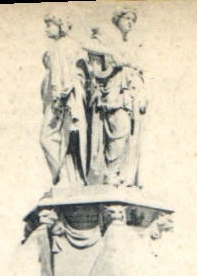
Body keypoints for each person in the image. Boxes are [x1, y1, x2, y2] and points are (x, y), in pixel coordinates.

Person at [84, 7, 146, 187]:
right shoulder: (108, 35)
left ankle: (122, 175)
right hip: (113, 92)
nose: (130, 23)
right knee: (119, 131)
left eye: (133, 20)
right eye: (127, 18)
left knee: (128, 135)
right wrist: (111, 53)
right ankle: (110, 173)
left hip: (129, 94)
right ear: (117, 19)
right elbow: (87, 44)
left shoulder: (127, 43)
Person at [39, 15, 88, 185]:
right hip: (63, 98)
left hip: (62, 99)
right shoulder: (65, 46)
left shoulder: (62, 46)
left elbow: (64, 74)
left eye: (49, 25)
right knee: (64, 138)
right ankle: (68, 176)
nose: (46, 29)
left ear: (60, 26)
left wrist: (62, 95)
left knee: (47, 138)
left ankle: (61, 175)